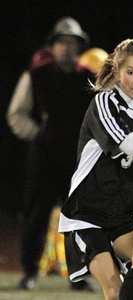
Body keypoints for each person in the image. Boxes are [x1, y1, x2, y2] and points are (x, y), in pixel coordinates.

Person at [58, 38, 133, 300]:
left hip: (123, 217)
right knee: (114, 288)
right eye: (131, 72)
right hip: (87, 215)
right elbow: (125, 146)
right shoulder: (104, 103)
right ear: (118, 72)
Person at [6, 16, 95, 291]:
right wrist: (38, 134)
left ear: (80, 48)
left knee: (79, 219)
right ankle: (30, 272)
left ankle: (78, 276)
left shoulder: (90, 78)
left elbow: (101, 117)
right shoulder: (36, 74)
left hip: (77, 160)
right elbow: (16, 113)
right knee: (36, 215)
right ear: (53, 47)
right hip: (43, 157)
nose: (67, 49)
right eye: (62, 43)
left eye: (73, 44)